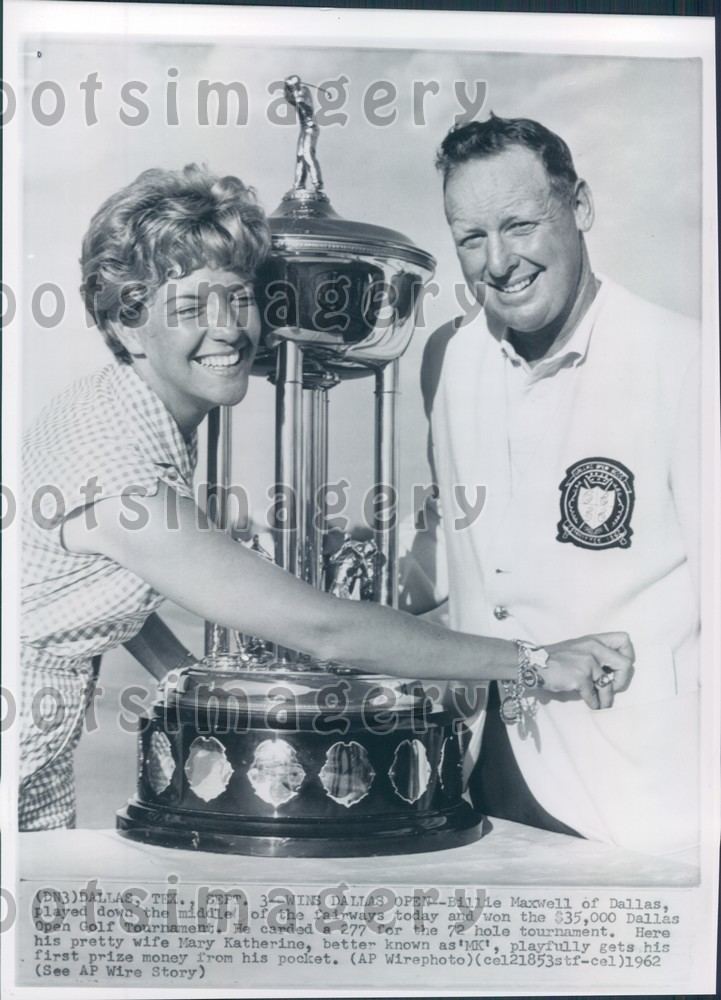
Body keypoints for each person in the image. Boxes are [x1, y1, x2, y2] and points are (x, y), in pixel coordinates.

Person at [19, 163, 634, 831]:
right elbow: (325, 630)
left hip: (40, 760)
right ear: (128, 324)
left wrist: (193, 680)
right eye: (192, 308)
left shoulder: (124, 412)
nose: (229, 330)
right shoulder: (114, 464)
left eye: (239, 298)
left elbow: (111, 590)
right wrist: (535, 663)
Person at [417, 114, 700, 856]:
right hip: (480, 774)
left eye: (519, 225)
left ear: (578, 207)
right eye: (470, 238)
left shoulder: (688, 363)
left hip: (638, 798)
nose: (498, 261)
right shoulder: (448, 358)